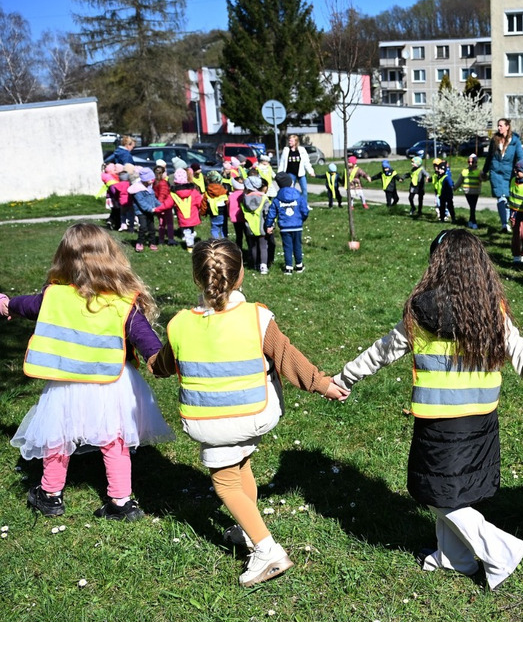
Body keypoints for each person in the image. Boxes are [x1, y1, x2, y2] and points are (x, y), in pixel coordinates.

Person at [334, 230, 523, 589]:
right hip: (481, 420)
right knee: (448, 491)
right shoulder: (491, 310)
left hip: (440, 424)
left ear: (436, 264)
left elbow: (382, 352)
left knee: (437, 492)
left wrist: (346, 377)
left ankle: (501, 551)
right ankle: (454, 558)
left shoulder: (420, 310)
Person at [151, 239, 348, 586]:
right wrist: (322, 383)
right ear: (240, 274)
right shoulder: (257, 317)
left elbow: (164, 364)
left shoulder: (180, 324)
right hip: (256, 415)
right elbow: (287, 356)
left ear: (197, 279)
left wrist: (152, 362)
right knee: (240, 466)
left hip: (211, 421)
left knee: (224, 482)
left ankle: (267, 550)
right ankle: (248, 528)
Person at [3, 223, 174, 521]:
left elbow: (26, 305)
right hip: (112, 384)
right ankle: (121, 502)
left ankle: (50, 494)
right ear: (111, 257)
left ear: (64, 259)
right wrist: (159, 360)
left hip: (67, 383)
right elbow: (145, 337)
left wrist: (6, 305)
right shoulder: (122, 302)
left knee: (58, 436)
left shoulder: (54, 297)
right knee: (114, 439)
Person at [481, 118, 523, 231]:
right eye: (498, 125)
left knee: (509, 198)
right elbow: (489, 157)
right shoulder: (494, 140)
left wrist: (522, 170)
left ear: (507, 127)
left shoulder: (515, 141)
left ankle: (512, 221)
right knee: (500, 197)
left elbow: (520, 157)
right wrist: (484, 171)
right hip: (495, 173)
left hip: (509, 173)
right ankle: (504, 224)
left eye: (501, 125)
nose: (499, 128)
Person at [266, 172, 309, 275]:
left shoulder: (277, 199)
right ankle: (299, 265)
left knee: (287, 246)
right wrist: (302, 219)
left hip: (284, 227)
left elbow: (272, 213)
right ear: (291, 183)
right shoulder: (298, 196)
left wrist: (269, 225)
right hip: (297, 226)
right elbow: (305, 210)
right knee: (297, 246)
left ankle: (288, 267)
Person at [163, 168, 203, 252]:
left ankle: (189, 246)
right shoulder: (194, 191)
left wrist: (157, 209)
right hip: (193, 216)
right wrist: (203, 210)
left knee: (186, 231)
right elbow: (200, 203)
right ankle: (190, 241)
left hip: (182, 217)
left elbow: (167, 204)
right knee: (190, 230)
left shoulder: (173, 193)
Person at [242, 175, 271, 275]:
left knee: (253, 246)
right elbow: (267, 213)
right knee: (263, 247)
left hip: (249, 227)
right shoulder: (264, 198)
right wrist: (270, 225)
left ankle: (255, 264)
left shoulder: (244, 199)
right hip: (262, 227)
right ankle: (263, 266)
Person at [128, 167, 160, 252]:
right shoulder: (138, 190)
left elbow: (153, 199)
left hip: (150, 211)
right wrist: (150, 209)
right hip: (141, 211)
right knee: (143, 227)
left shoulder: (149, 187)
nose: (152, 181)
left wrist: (160, 205)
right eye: (150, 179)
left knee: (152, 228)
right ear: (145, 179)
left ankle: (152, 243)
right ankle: (140, 243)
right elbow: (141, 202)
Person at [153, 161, 176, 247]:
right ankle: (170, 239)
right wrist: (161, 206)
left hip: (158, 205)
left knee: (161, 223)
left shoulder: (154, 183)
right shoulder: (163, 183)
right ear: (162, 173)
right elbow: (162, 195)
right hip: (165, 205)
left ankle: (161, 239)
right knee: (169, 223)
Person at [203, 170, 229, 240]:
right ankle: (225, 242)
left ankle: (215, 241)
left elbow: (204, 204)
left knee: (214, 228)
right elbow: (227, 202)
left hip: (213, 213)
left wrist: (203, 212)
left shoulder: (207, 192)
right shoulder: (224, 191)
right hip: (223, 212)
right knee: (224, 227)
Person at [461, 154, 482, 229]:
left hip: (475, 192)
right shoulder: (464, 171)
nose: (470, 163)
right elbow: (460, 181)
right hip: (467, 192)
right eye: (469, 162)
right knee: (472, 207)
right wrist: (453, 188)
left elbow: (483, 179)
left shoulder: (479, 172)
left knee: (472, 207)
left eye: (472, 162)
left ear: (476, 162)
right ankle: (472, 221)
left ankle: (472, 221)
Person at [433, 158, 457, 223]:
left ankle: (453, 218)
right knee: (442, 207)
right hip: (442, 195)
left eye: (442, 169)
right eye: (439, 169)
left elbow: (451, 183)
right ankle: (442, 218)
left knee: (450, 206)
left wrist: (452, 186)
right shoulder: (439, 177)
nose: (440, 170)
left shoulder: (446, 177)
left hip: (448, 195)